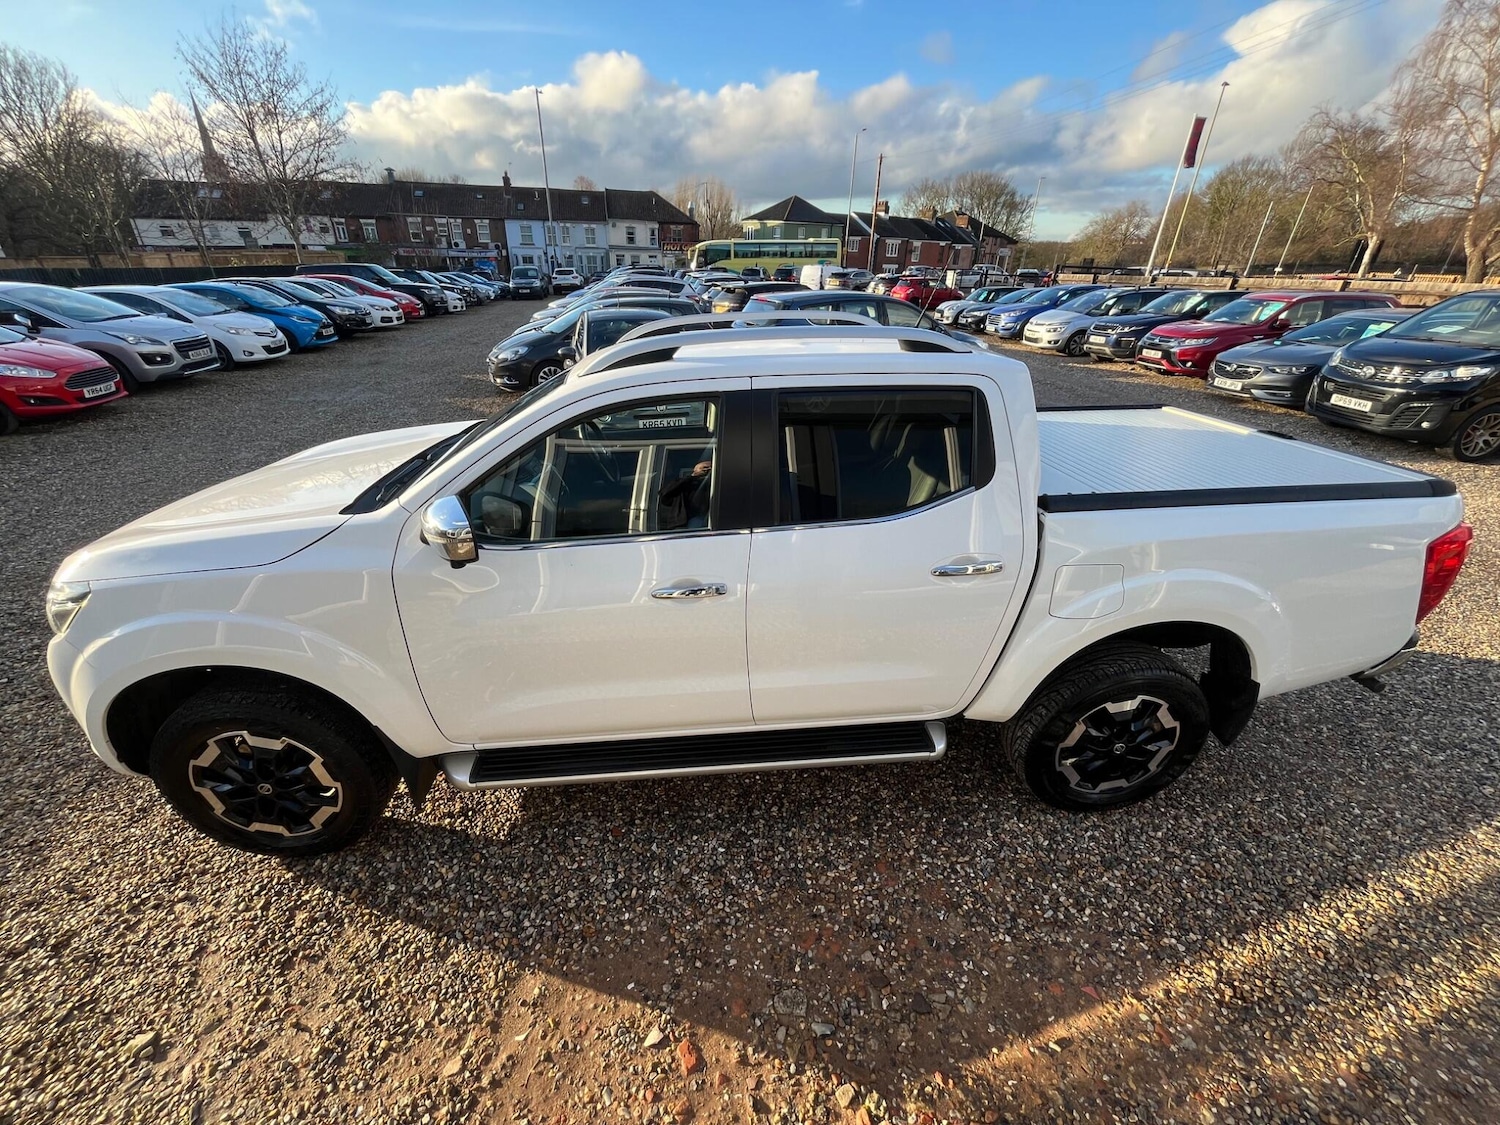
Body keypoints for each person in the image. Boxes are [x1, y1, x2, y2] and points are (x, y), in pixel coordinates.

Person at [658, 458, 712, 530]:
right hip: (682, 524)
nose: (707, 470)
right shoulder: (683, 484)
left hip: (706, 520)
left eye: (710, 468)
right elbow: (665, 494)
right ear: (695, 470)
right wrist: (692, 477)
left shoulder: (714, 484)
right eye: (704, 468)